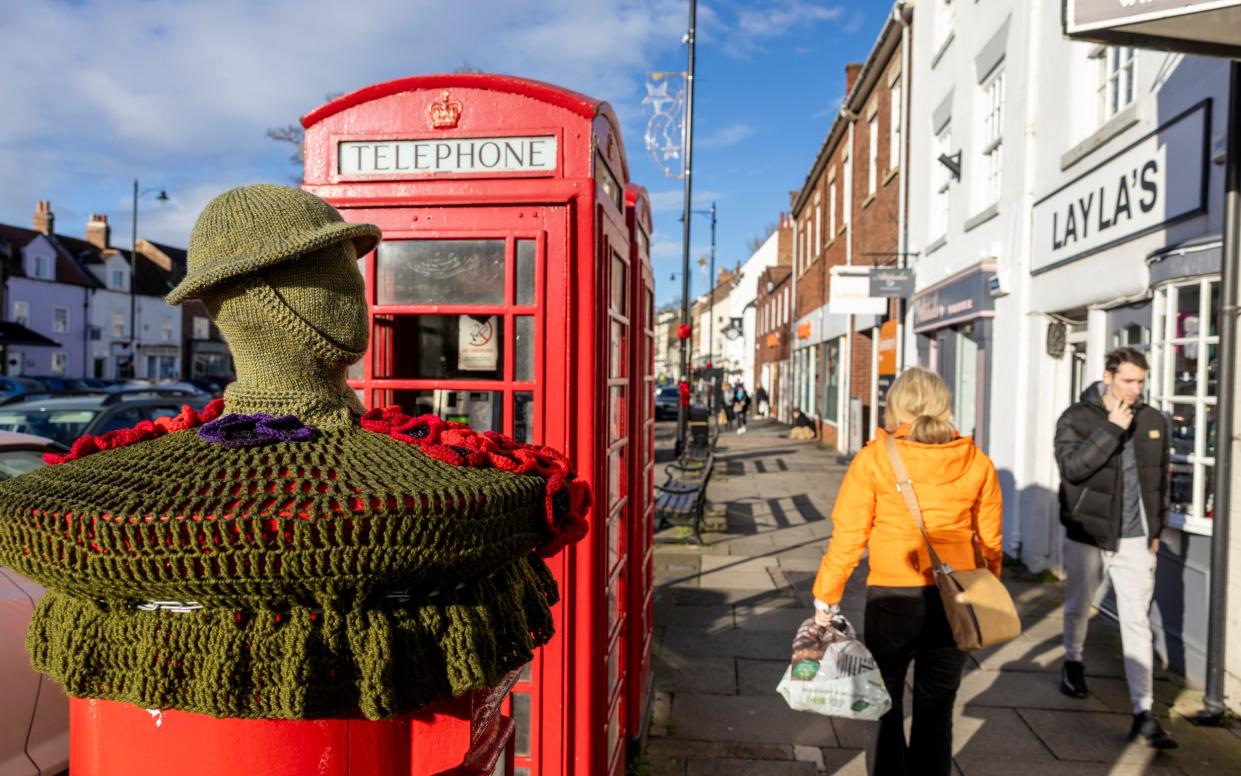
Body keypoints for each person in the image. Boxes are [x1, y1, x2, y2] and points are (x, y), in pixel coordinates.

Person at [811, 367, 1002, 776]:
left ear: (896, 406)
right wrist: (988, 589)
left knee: (886, 705)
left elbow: (849, 536)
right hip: (958, 597)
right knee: (937, 710)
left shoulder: (873, 458)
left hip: (893, 597)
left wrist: (826, 596)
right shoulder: (976, 462)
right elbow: (990, 542)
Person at [1055, 347, 1175, 748]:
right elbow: (1073, 469)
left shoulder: (1153, 420)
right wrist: (1110, 429)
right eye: (1127, 380)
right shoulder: (1076, 417)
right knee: (1078, 604)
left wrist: (1155, 527)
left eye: (1140, 382)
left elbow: (1160, 480)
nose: (1135, 389)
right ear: (1108, 377)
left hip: (1136, 536)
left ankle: (1144, 712)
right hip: (1087, 532)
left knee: (1136, 619)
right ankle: (1073, 660)